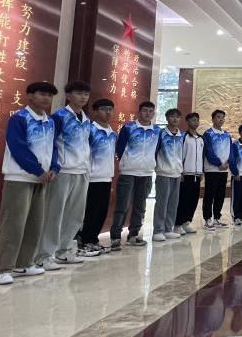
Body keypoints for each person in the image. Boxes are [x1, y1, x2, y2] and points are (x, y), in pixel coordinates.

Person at [0, 82, 59, 285]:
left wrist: (54, 168)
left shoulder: (50, 121)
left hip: (42, 178)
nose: (46, 98)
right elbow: (18, 148)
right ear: (29, 96)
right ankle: (2, 269)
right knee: (13, 224)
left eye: (49, 95)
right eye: (42, 94)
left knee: (34, 224)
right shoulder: (19, 118)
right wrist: (38, 170)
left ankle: (24, 263)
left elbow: (54, 147)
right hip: (19, 178)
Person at [36, 80, 94, 270]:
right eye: (79, 93)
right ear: (68, 95)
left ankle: (64, 251)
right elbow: (51, 143)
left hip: (82, 171)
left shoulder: (86, 119)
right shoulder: (59, 117)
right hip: (63, 172)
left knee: (75, 215)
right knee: (54, 214)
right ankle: (44, 255)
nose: (83, 97)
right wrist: (53, 166)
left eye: (86, 94)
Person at [111, 101, 161, 250]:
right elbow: (120, 148)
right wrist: (128, 162)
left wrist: (150, 163)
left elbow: (157, 149)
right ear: (139, 112)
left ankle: (133, 235)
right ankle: (115, 237)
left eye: (151, 111)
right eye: (145, 110)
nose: (148, 113)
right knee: (123, 205)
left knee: (140, 206)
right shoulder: (129, 127)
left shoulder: (157, 130)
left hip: (146, 173)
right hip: (128, 172)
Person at [77, 98, 116, 255]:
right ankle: (85, 240)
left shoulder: (112, 132)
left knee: (101, 211)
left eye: (110, 109)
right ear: (94, 111)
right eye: (103, 109)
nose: (108, 112)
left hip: (106, 177)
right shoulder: (90, 130)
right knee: (90, 211)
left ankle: (93, 239)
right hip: (91, 178)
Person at [153, 108, 184, 241]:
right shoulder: (161, 134)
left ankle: (168, 229)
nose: (175, 119)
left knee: (173, 203)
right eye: (172, 116)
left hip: (177, 173)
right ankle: (158, 231)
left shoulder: (181, 135)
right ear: (167, 118)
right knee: (162, 203)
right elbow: (154, 151)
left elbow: (182, 154)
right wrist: (156, 166)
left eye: (177, 117)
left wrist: (181, 170)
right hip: (164, 173)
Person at [174, 112, 203, 235]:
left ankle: (187, 222)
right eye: (193, 120)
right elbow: (180, 155)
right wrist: (181, 172)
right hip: (186, 174)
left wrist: (201, 171)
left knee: (193, 200)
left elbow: (201, 156)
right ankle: (178, 224)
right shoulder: (184, 137)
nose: (195, 122)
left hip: (197, 174)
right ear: (187, 122)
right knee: (184, 199)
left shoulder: (201, 138)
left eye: (197, 120)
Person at [203, 109, 232, 230]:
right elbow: (208, 151)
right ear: (213, 119)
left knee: (220, 194)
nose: (221, 119)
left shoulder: (226, 135)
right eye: (218, 117)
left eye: (222, 117)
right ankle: (207, 219)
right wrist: (219, 163)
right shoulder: (208, 134)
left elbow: (230, 151)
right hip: (212, 169)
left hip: (223, 170)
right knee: (209, 194)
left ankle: (217, 218)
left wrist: (227, 163)